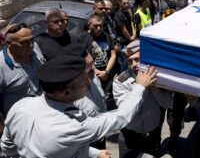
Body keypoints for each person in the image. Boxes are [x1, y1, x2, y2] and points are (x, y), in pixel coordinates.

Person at [1, 54, 157, 158]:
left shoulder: (20, 106)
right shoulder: (72, 125)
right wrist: (139, 87)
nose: (89, 82)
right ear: (66, 92)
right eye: (83, 82)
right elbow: (121, 117)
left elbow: (7, 147)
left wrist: (93, 153)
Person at [113, 40, 172, 158]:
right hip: (130, 136)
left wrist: (154, 88)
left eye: (138, 59)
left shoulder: (159, 79)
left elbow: (167, 104)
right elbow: (127, 112)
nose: (134, 64)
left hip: (153, 133)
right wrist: (141, 87)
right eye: (130, 61)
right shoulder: (121, 82)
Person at [0, 24, 45, 117]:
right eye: (24, 42)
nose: (31, 45)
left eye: (32, 39)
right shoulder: (1, 66)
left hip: (43, 110)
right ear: (8, 44)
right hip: (19, 119)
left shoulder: (35, 47)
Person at [79, 14, 116, 92]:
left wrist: (106, 71)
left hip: (106, 75)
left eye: (101, 26)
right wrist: (97, 72)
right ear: (89, 25)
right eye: (95, 26)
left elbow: (113, 55)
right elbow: (82, 59)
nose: (99, 28)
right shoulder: (82, 38)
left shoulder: (107, 36)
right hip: (91, 76)